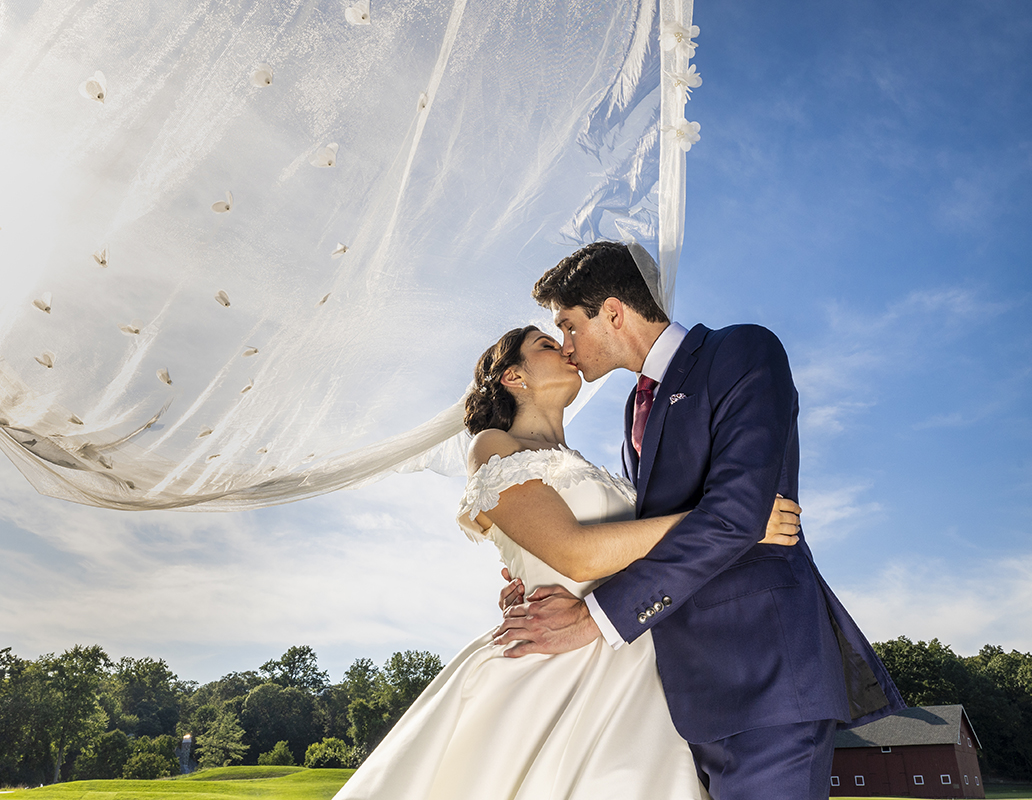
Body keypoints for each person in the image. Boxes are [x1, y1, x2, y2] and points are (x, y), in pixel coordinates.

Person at [493, 241, 905, 800]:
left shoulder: (742, 351)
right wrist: (548, 578)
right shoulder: (631, 411)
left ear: (612, 312)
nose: (567, 346)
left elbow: (738, 513)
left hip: (765, 676)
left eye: (568, 325)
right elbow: (656, 538)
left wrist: (593, 618)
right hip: (677, 696)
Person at [333, 324, 803, 800]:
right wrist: (733, 523)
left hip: (638, 652)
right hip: (556, 658)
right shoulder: (494, 445)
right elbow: (578, 554)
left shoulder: (604, 465)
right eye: (548, 345)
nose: (568, 349)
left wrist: (724, 527)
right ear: (514, 376)